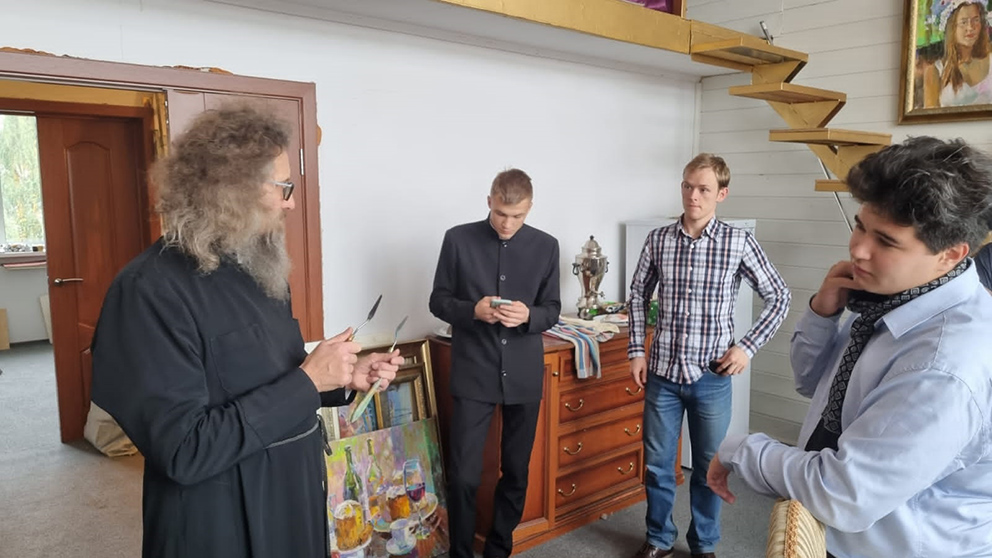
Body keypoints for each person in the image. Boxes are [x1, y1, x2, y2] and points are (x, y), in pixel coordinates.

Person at [90, 105, 402, 558]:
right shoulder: (147, 291)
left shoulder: (259, 268)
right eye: (284, 187)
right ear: (231, 190)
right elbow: (183, 450)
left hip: (290, 498)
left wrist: (342, 379)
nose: (291, 202)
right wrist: (309, 380)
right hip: (217, 523)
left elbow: (267, 375)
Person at [708, 137, 992, 557]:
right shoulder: (901, 295)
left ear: (950, 255)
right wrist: (822, 314)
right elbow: (812, 385)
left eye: (886, 241)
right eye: (860, 225)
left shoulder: (942, 365)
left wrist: (740, 449)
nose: (858, 249)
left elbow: (842, 493)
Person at [627, 153, 791, 558]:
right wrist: (636, 351)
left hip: (711, 378)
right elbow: (637, 296)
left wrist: (747, 347)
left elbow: (779, 296)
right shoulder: (658, 240)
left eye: (703, 189)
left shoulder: (738, 242)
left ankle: (703, 545)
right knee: (658, 466)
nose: (693, 196)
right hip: (662, 375)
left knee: (708, 467)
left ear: (722, 193)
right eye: (687, 186)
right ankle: (659, 539)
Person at [429, 168, 561, 558]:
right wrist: (473, 310)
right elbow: (437, 301)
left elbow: (552, 308)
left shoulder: (547, 246)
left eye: (517, 216)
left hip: (523, 374)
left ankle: (499, 550)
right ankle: (460, 553)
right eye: (501, 213)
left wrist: (529, 316)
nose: (507, 223)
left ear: (530, 208)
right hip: (473, 371)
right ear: (489, 201)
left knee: (516, 472)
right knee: (464, 476)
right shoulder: (457, 239)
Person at [924, 0, 992, 107]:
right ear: (952, 27)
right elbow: (929, 114)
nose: (970, 28)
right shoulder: (935, 71)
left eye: (976, 20)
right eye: (963, 22)